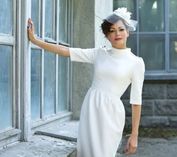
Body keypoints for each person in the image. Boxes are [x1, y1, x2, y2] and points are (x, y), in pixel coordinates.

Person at [27, 7, 145, 157]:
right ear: (107, 35)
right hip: (91, 108)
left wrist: (134, 135)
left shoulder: (136, 62)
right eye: (112, 30)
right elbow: (66, 51)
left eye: (121, 29)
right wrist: (36, 40)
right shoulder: (99, 53)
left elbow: (136, 101)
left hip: (112, 114)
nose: (117, 34)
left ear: (128, 31)